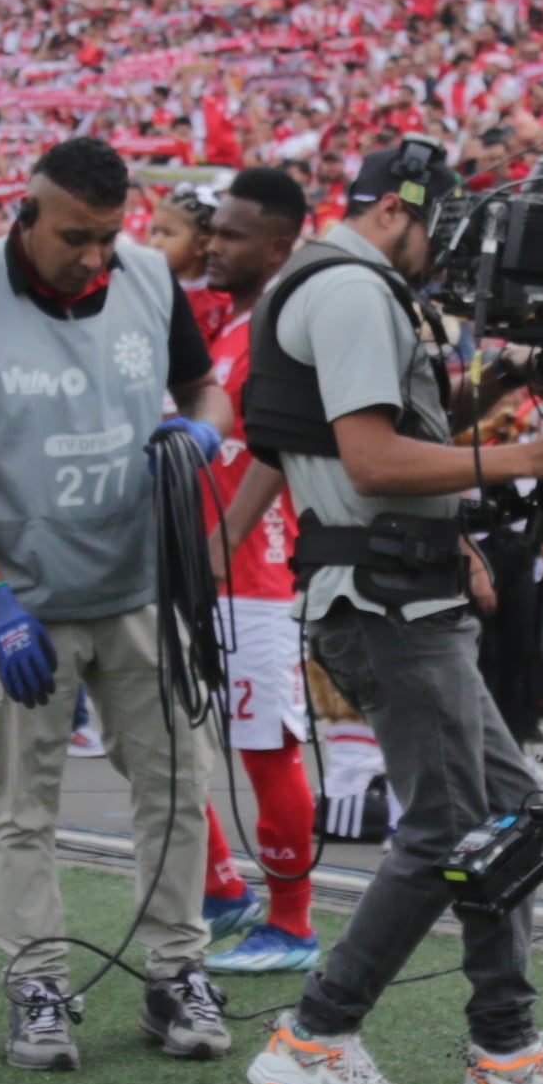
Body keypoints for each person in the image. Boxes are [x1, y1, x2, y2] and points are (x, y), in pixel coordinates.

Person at [233, 138, 543, 1084]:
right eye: (440, 230)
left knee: (502, 812)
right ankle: (318, 1033)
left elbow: (369, 437)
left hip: (387, 594)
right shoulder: (355, 293)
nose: (448, 256)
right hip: (386, 602)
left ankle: (504, 1046)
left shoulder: (334, 285)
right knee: (453, 825)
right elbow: (372, 462)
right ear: (399, 212)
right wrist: (527, 454)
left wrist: (496, 390)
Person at [0, 135, 227, 1072]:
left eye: (110, 236)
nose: (95, 256)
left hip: (138, 586)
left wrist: (203, 427)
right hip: (20, 594)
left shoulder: (150, 280)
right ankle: (38, 984)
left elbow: (206, 385)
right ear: (27, 212)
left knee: (176, 786)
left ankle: (176, 974)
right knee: (18, 801)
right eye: (76, 236)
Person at [190, 164, 325, 986]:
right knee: (168, 740)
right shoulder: (235, 326)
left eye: (232, 234)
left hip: (254, 580)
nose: (213, 244)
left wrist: (229, 536)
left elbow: (280, 447)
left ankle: (292, 921)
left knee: (265, 751)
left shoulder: (282, 324)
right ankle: (216, 887)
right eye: (214, 229)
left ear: (276, 245)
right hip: (203, 576)